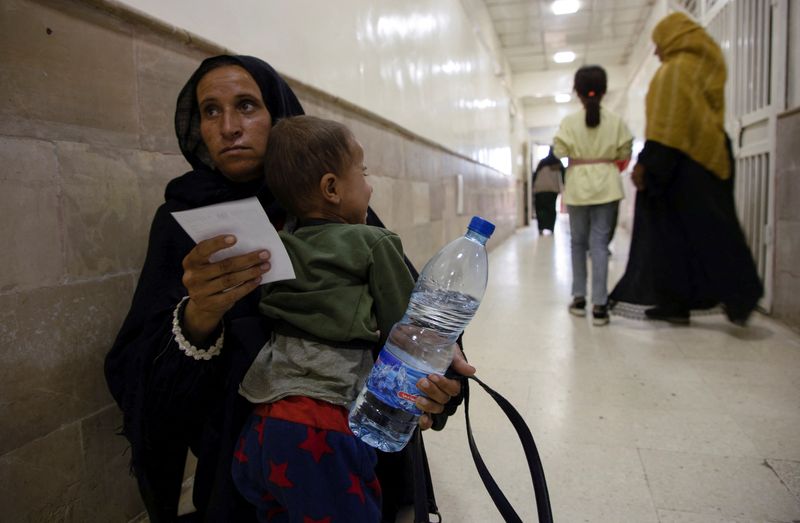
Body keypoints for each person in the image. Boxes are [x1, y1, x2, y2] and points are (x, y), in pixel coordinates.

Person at [104, 55, 473, 523]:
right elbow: (135, 363)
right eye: (211, 111)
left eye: (246, 106)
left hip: (359, 450)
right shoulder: (183, 219)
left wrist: (440, 380)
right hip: (242, 463)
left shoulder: (335, 205)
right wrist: (198, 315)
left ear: (278, 117)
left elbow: (414, 316)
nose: (229, 126)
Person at [231, 115, 418, 521]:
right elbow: (405, 332)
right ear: (332, 188)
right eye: (363, 173)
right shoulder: (375, 243)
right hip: (324, 426)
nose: (369, 185)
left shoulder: (276, 248)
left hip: (261, 425)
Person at [609, 12, 762, 325]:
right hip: (707, 157)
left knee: (676, 235)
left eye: (659, 43)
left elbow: (669, 125)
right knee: (702, 231)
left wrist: (647, 164)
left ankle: (717, 298)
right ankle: (683, 301)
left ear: (674, 38)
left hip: (679, 165)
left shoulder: (675, 71)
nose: (656, 51)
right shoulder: (702, 67)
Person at [553, 65, 633, 326]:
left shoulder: (569, 122)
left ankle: (579, 299)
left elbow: (559, 149)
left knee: (577, 243)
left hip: (578, 187)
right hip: (608, 185)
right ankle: (600, 305)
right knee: (600, 245)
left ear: (577, 91)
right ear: (604, 90)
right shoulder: (616, 122)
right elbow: (624, 152)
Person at [531, 148, 564, 235]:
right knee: (551, 210)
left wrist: (533, 188)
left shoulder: (542, 162)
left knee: (540, 209)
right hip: (552, 190)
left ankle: (541, 228)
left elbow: (535, 176)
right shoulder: (558, 163)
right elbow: (564, 177)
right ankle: (551, 228)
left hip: (540, 189)